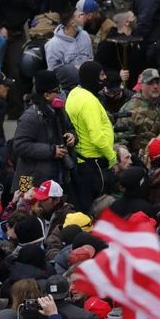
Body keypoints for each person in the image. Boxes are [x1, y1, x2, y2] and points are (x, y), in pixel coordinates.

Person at [65, 61, 117, 211]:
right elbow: (96, 136)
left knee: (83, 205)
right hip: (91, 163)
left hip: (80, 160)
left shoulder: (75, 94)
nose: (104, 78)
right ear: (91, 77)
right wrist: (111, 157)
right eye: (101, 75)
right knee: (94, 208)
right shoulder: (88, 101)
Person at [12, 70, 77, 188]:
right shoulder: (30, 116)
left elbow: (70, 128)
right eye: (57, 91)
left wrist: (72, 136)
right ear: (46, 95)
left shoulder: (60, 111)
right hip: (29, 179)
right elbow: (19, 145)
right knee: (25, 205)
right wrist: (51, 151)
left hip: (58, 177)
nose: (60, 94)